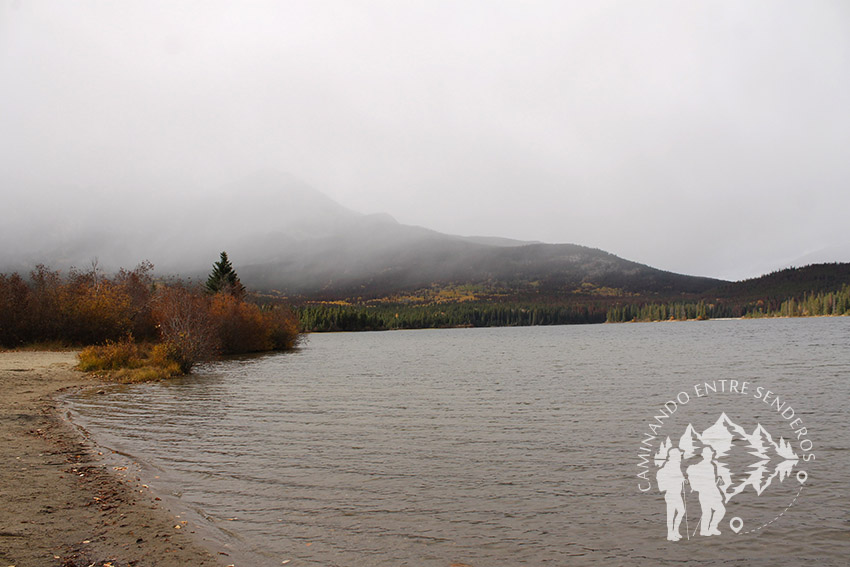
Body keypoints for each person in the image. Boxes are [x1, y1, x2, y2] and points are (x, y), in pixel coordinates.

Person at [686, 446, 725, 536]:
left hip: (712, 492)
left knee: (717, 510)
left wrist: (719, 480)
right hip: (705, 492)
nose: (709, 456)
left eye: (710, 454)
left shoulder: (712, 465)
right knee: (709, 512)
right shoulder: (701, 466)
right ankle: (706, 530)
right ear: (703, 455)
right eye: (707, 454)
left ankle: (710, 528)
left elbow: (713, 480)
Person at [656, 447, 686, 541]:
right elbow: (673, 477)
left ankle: (675, 531)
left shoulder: (676, 465)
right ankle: (670, 534)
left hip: (677, 494)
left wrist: (683, 480)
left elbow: (678, 477)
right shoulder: (670, 465)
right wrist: (681, 480)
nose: (681, 456)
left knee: (681, 511)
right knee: (671, 515)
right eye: (679, 455)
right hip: (672, 494)